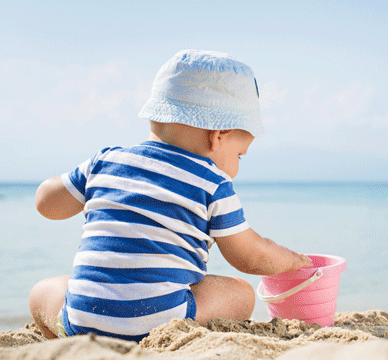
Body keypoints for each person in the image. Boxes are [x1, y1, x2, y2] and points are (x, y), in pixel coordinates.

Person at [29, 50, 312, 341]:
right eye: (240, 155)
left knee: (42, 292)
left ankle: (69, 340)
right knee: (240, 293)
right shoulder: (212, 183)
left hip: (84, 321)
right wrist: (290, 260)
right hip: (160, 324)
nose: (237, 167)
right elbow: (251, 256)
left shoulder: (106, 162)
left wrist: (82, 178)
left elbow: (46, 205)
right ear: (218, 136)